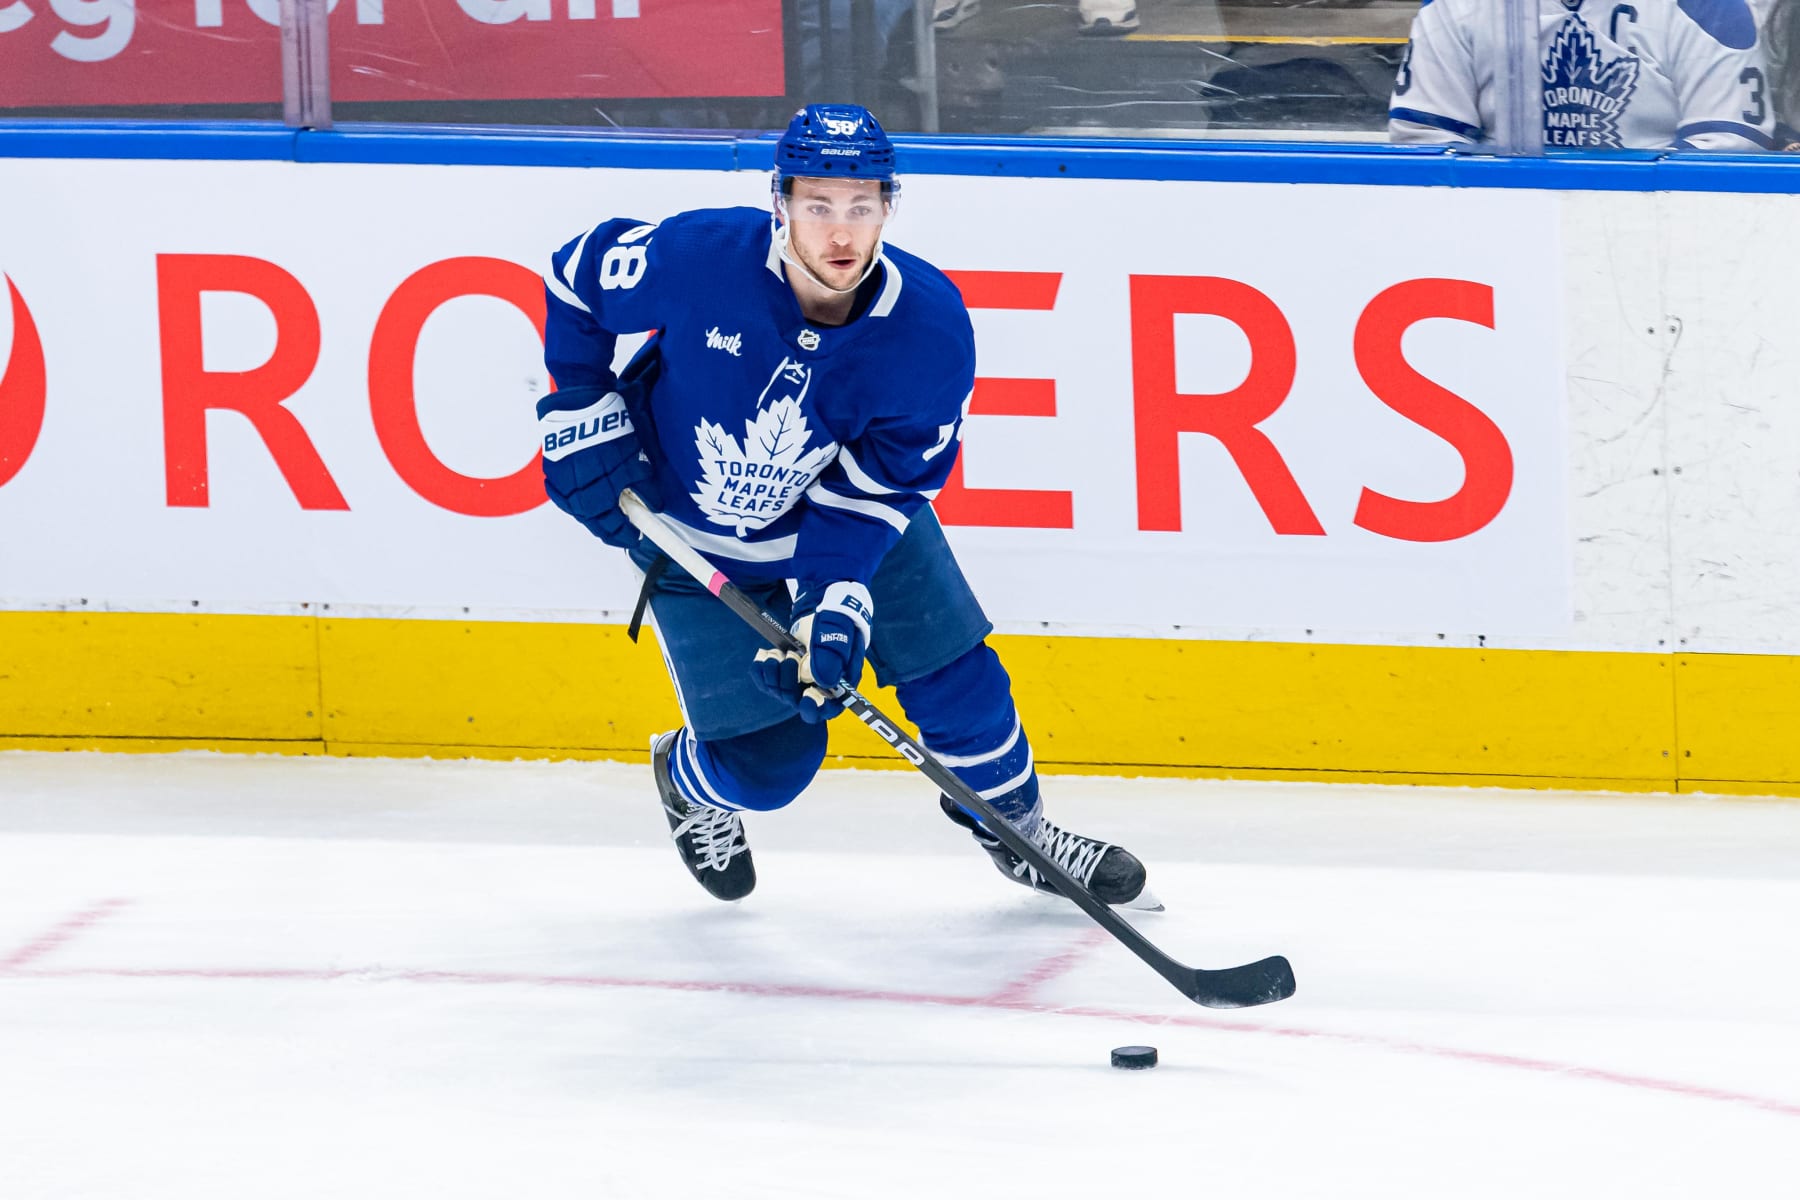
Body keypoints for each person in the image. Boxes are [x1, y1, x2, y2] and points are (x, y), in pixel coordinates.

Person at [536, 103, 1157, 911]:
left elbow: (879, 487)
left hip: (847, 523)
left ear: (888, 208)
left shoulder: (928, 327)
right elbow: (573, 274)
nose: (840, 234)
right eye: (819, 206)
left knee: (956, 677)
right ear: (781, 202)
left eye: (862, 208)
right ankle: (686, 778)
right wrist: (581, 401)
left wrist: (834, 598)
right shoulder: (700, 257)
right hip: (693, 541)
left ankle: (1020, 831)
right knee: (768, 770)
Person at [1389, 0, 1777, 151]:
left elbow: (1727, 151)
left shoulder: (1709, 7)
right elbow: (1425, 147)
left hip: (1662, 243)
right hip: (1496, 232)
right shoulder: (1453, 7)